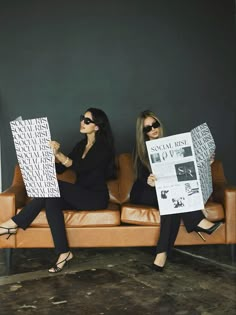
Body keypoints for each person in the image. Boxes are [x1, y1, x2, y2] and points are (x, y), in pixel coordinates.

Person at [0, 108, 116, 273]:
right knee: (51, 199)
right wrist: (41, 156)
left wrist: (59, 153)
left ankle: (13, 224)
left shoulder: (104, 147)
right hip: (79, 194)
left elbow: (80, 167)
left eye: (88, 121)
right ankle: (64, 252)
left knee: (54, 187)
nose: (83, 122)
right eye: (83, 118)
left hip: (94, 197)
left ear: (97, 127)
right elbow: (61, 168)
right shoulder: (81, 145)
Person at [130, 110, 222, 271]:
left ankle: (162, 254)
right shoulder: (141, 151)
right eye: (147, 128)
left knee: (170, 204)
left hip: (166, 193)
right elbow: (141, 178)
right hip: (145, 192)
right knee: (169, 197)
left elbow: (185, 174)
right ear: (142, 132)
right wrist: (149, 181)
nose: (153, 129)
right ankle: (197, 221)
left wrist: (204, 162)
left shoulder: (171, 145)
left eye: (155, 125)